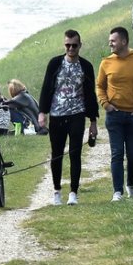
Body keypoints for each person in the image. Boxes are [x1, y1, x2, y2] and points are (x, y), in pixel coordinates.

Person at [38, 29, 99, 206]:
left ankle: (73, 192)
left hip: (77, 114)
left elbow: (90, 94)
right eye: (68, 45)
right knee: (56, 154)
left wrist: (93, 121)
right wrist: (42, 112)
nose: (71, 48)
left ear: (80, 45)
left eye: (74, 45)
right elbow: (45, 88)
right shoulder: (55, 63)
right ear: (64, 45)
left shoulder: (86, 66)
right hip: (57, 115)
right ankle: (56, 191)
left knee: (75, 153)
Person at [96, 26, 133, 201]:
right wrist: (105, 104)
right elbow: (99, 86)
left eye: (113, 40)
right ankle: (117, 191)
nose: (110, 43)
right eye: (110, 40)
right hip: (114, 115)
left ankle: (131, 185)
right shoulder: (106, 62)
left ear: (124, 41)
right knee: (117, 153)